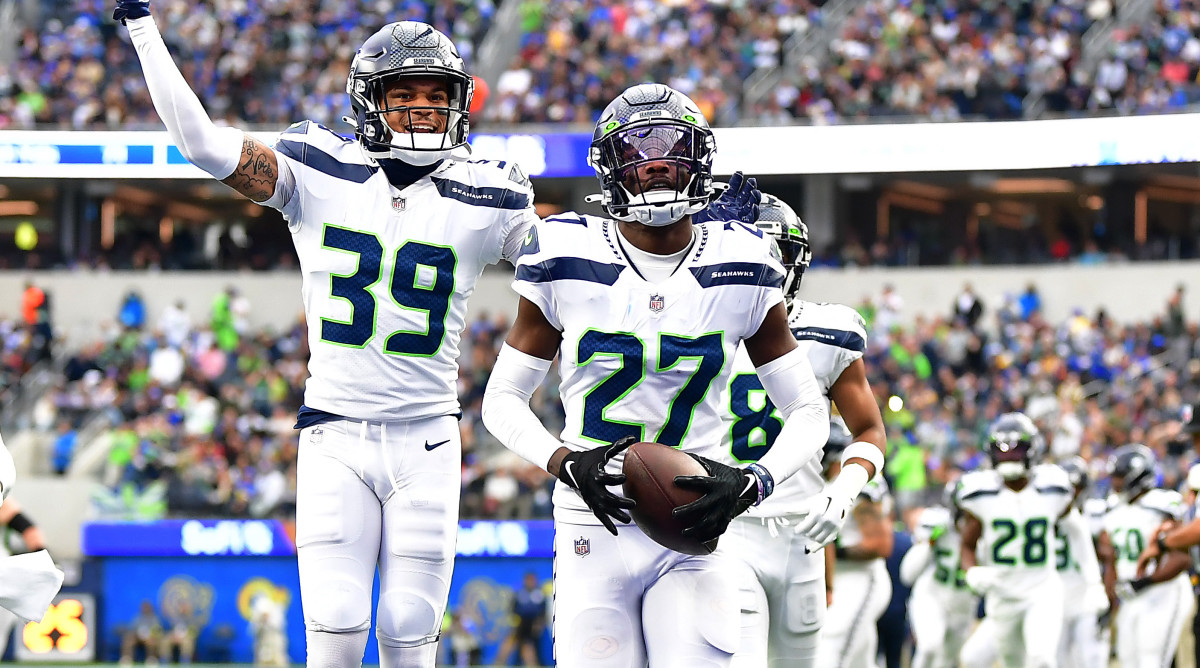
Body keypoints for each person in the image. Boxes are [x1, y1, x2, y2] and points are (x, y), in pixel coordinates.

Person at [116, 7, 752, 666]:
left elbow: (577, 266)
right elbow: (198, 141)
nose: (422, 108)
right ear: (370, 101)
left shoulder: (489, 190)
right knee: (333, 624)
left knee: (409, 625)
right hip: (334, 431)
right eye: (404, 94)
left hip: (427, 437)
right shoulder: (315, 165)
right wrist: (141, 25)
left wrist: (689, 232)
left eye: (436, 95)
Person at [481, 84, 841, 667]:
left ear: (700, 159)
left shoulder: (744, 258)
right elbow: (501, 401)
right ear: (610, 166)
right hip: (593, 516)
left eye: (673, 149)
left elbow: (807, 410)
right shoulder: (563, 250)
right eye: (639, 153)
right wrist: (566, 461)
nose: (656, 166)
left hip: (698, 514)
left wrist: (754, 481)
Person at [716, 195, 887, 668]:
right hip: (724, 528)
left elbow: (870, 430)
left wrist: (842, 492)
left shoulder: (828, 332)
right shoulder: (693, 327)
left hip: (801, 535)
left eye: (775, 254)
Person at [956, 413, 1073, 668]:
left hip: (1042, 589)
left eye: (1016, 449)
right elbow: (967, 544)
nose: (1008, 456)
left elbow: (1075, 527)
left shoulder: (1054, 487)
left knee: (1041, 659)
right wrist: (971, 571)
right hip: (1002, 596)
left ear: (1032, 450)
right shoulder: (979, 494)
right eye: (1001, 450)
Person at [1099, 445, 1193, 668]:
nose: (1115, 483)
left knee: (1152, 660)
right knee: (1128, 659)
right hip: (1131, 595)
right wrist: (1109, 602)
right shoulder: (1114, 510)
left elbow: (1182, 558)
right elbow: (1111, 561)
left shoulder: (1162, 505)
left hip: (1163, 591)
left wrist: (1145, 581)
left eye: (1120, 477)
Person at [818, 422, 893, 668]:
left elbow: (881, 544)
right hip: (835, 579)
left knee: (832, 646)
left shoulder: (855, 482)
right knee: (860, 658)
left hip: (861, 579)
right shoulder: (817, 484)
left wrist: (832, 548)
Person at [900, 482, 979, 668]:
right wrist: (929, 543)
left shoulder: (989, 531)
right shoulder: (939, 524)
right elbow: (907, 574)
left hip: (964, 604)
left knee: (947, 661)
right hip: (932, 595)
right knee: (929, 647)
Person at [120, 600, 163, 666]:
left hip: (149, 638)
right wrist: (138, 634)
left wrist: (149, 634)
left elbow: (157, 630)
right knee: (129, 639)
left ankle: (151, 659)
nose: (145, 609)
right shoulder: (137, 618)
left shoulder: (154, 618)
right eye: (144, 607)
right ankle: (127, 659)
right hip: (137, 637)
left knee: (152, 641)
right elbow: (132, 629)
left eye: (147, 607)